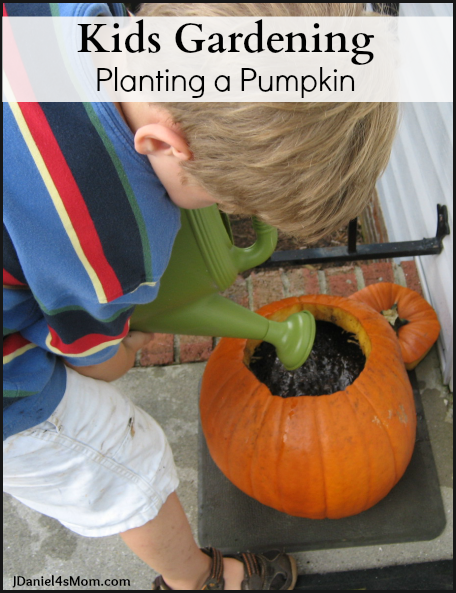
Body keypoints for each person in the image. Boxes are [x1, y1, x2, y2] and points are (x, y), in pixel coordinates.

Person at [3, 2, 398, 590]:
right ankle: (199, 578)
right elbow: (92, 354)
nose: (221, 211)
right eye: (226, 201)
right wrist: (122, 348)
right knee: (123, 461)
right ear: (164, 142)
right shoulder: (112, 240)